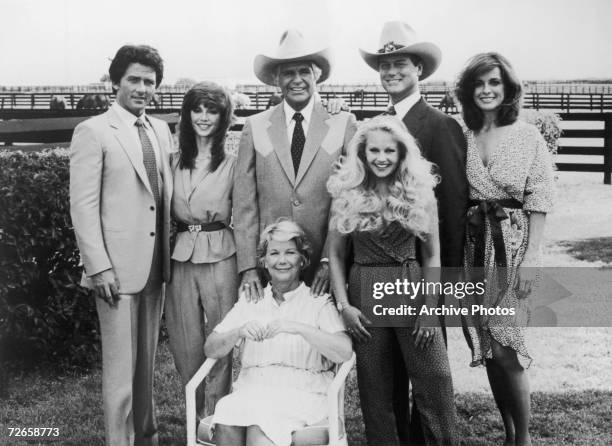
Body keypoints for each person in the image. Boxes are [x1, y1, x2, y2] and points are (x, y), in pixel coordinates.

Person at [359, 21, 468, 443]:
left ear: (418, 69)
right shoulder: (379, 128)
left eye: (400, 63)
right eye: (384, 65)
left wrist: (439, 292)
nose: (391, 72)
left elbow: (453, 209)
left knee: (429, 376)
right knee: (386, 379)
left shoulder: (440, 126)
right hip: (375, 277)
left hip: (421, 276)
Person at [327, 115, 457, 445]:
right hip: (365, 291)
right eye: (374, 151)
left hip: (411, 286)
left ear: (401, 154)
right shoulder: (346, 192)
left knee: (435, 378)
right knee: (377, 389)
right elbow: (337, 257)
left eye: (389, 151)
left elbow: (432, 256)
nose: (381, 158)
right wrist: (344, 306)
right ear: (362, 153)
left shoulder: (420, 193)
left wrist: (430, 308)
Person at [70, 44, 173, 446]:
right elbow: (83, 206)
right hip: (114, 271)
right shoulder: (93, 131)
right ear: (116, 82)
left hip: (155, 269)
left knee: (145, 368)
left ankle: (146, 438)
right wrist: (97, 266)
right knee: (120, 375)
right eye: (134, 79)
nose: (142, 88)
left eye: (150, 82)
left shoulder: (160, 130)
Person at [455, 52, 553, 446]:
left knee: (505, 344)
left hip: (512, 249)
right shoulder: (464, 134)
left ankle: (523, 439)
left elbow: (540, 196)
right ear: (468, 91)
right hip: (473, 248)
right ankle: (509, 433)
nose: (486, 90)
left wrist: (531, 259)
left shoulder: (527, 135)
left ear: (508, 88)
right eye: (478, 84)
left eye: (494, 82)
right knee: (488, 346)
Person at [233, 29, 358, 301]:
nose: (297, 79)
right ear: (277, 79)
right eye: (289, 72)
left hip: (323, 267)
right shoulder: (254, 126)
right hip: (270, 265)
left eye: (305, 71)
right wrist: (249, 266)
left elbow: (348, 198)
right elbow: (244, 205)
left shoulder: (343, 123)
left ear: (317, 76)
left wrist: (329, 259)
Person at [204, 220, 352, 446]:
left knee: (260, 427)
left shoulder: (317, 302)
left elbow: (343, 351)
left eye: (290, 253)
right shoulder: (251, 300)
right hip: (252, 388)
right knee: (226, 415)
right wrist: (238, 332)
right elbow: (211, 347)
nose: (281, 260)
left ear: (302, 260)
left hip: (303, 392)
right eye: (274, 253)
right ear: (263, 260)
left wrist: (299, 328)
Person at [164, 82, 237, 421]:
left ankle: (218, 422)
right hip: (180, 257)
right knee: (185, 343)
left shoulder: (233, 163)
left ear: (223, 117)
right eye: (197, 109)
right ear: (187, 113)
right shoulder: (172, 161)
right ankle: (194, 423)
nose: (204, 117)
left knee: (221, 340)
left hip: (221, 255)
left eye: (212, 110)